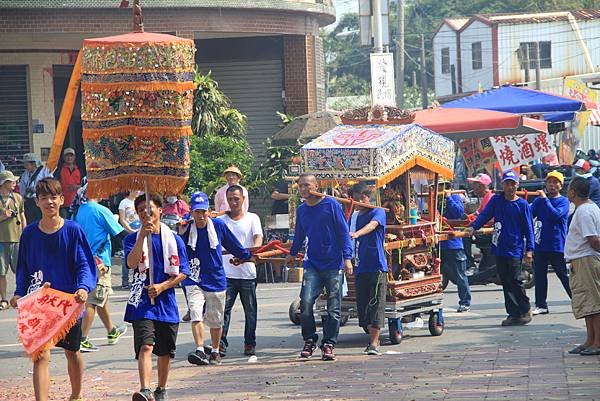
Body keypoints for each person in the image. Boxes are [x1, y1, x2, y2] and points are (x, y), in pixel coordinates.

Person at [10, 178, 96, 401]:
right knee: (40, 356)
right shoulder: (29, 234)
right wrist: (19, 293)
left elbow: (84, 264)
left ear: (61, 200)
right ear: (37, 202)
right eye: (44, 198)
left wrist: (83, 288)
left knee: (72, 352)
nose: (49, 202)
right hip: (39, 302)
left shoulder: (73, 230)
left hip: (68, 302)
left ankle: (76, 395)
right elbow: (23, 269)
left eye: (53, 197)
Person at [124, 193, 189, 401]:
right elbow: (131, 263)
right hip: (142, 302)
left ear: (160, 210)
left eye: (149, 208)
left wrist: (163, 286)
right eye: (141, 209)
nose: (145, 212)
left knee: (164, 351)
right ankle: (145, 389)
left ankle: (161, 388)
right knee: (145, 345)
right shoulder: (131, 239)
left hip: (166, 301)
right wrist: (142, 236)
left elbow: (183, 271)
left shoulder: (174, 239)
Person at [285, 174, 352, 361]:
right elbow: (299, 234)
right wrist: (292, 253)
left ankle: (329, 344)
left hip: (333, 263)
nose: (304, 189)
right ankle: (309, 340)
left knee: (334, 307)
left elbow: (343, 232)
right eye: (301, 187)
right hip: (312, 263)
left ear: (316, 186)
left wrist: (347, 258)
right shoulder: (302, 210)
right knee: (305, 303)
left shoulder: (331, 205)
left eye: (307, 185)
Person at [181, 191, 251, 366]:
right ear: (192, 212)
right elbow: (176, 248)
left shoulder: (218, 226)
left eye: (203, 211)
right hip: (194, 277)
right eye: (197, 212)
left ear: (208, 211)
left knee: (215, 318)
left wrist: (246, 256)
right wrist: (181, 229)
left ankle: (215, 350)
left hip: (216, 277)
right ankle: (199, 348)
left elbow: (233, 244)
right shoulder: (186, 228)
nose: (200, 215)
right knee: (196, 311)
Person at [467, 170, 534, 326]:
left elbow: (528, 228)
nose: (510, 187)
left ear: (517, 185)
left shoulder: (522, 205)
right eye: (507, 184)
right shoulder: (497, 201)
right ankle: (513, 313)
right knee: (505, 281)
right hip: (499, 247)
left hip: (515, 248)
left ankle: (525, 308)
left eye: (513, 184)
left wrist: (529, 250)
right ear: (503, 185)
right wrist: (473, 227)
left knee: (516, 280)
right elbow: (484, 215)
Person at [74, 193, 129, 352]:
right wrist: (140, 237)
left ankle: (112, 331)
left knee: (100, 296)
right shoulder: (100, 210)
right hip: (100, 262)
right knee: (93, 300)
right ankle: (82, 339)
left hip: (85, 259)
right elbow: (119, 233)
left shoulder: (81, 210)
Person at [219, 185, 263, 357]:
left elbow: (258, 237)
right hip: (227, 273)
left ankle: (249, 343)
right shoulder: (221, 221)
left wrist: (252, 253)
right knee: (224, 311)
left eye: (236, 198)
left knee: (250, 311)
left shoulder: (253, 218)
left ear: (243, 199)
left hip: (247, 272)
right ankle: (221, 343)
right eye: (230, 199)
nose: (233, 202)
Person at [348, 183, 386, 356]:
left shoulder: (378, 211)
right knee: (362, 305)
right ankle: (371, 335)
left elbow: (372, 226)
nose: (359, 201)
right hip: (359, 265)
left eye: (361, 198)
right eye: (356, 199)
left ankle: (374, 342)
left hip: (377, 265)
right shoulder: (353, 216)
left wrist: (357, 234)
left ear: (367, 197)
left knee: (376, 303)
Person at [564, 177, 600, 356]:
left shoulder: (585, 211)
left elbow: (593, 240)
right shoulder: (586, 208)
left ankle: (597, 341)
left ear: (573, 192)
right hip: (580, 260)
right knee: (586, 303)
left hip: (586, 260)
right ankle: (590, 339)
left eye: (568, 189)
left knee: (593, 303)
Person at [530, 170, 571, 315]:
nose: (552, 185)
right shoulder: (539, 201)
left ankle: (578, 301)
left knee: (563, 275)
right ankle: (541, 305)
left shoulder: (564, 201)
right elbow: (528, 214)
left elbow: (555, 215)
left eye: (555, 182)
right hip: (540, 243)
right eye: (549, 182)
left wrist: (545, 200)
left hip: (556, 244)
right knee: (540, 276)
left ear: (561, 186)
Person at [438, 180, 471, 312]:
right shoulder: (434, 198)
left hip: (453, 243)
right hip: (439, 243)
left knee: (460, 275)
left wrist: (449, 197)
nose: (439, 188)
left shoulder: (455, 197)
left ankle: (465, 302)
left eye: (441, 185)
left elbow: (458, 213)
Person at [0, 171, 26, 310]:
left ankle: (19, 296)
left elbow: (22, 217)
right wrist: (3, 217)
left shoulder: (17, 198)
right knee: (1, 273)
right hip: (1, 241)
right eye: (11, 181)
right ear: (3, 183)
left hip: (16, 240)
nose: (14, 183)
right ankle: (4, 299)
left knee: (20, 271)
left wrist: (25, 233)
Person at [465, 172, 494, 272]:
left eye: (475, 184)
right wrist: (466, 218)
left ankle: (470, 264)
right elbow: (477, 213)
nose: (473, 186)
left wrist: (472, 223)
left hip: (489, 231)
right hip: (485, 228)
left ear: (481, 186)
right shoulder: (486, 198)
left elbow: (486, 218)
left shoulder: (490, 198)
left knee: (465, 236)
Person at [19, 153, 53, 224]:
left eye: (27, 164)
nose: (25, 166)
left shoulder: (44, 171)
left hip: (41, 200)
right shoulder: (25, 174)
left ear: (34, 164)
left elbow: (50, 184)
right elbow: (22, 189)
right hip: (29, 202)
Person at [119, 190, 142, 289]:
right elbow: (122, 219)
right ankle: (125, 280)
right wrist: (130, 230)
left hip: (140, 231)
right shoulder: (124, 202)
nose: (137, 191)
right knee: (127, 256)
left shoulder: (140, 201)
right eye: (135, 189)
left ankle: (137, 278)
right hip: (128, 232)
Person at [57, 148, 81, 218]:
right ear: (63, 157)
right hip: (64, 204)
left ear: (74, 157)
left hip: (77, 203)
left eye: (71, 156)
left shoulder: (79, 169)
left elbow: (85, 184)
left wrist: (77, 187)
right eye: (67, 156)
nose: (69, 158)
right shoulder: (59, 169)